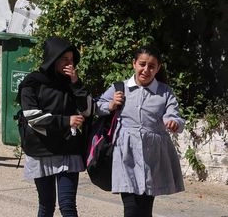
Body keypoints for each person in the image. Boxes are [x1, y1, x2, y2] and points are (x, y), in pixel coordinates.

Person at [96, 45, 185, 217]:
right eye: (142, 64)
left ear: (158, 68)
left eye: (151, 66)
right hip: (125, 155)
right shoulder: (119, 88)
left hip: (152, 157)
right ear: (134, 64)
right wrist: (111, 104)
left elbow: (174, 115)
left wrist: (173, 122)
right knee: (131, 207)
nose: (146, 70)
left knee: (145, 209)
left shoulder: (165, 92)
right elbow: (96, 106)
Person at [16, 37, 95, 217]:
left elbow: (88, 110)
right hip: (41, 149)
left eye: (72, 60)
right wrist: (66, 121)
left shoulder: (72, 84)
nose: (70, 64)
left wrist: (76, 83)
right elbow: (33, 118)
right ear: (53, 58)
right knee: (46, 205)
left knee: (68, 206)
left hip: (68, 149)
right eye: (65, 59)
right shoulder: (32, 83)